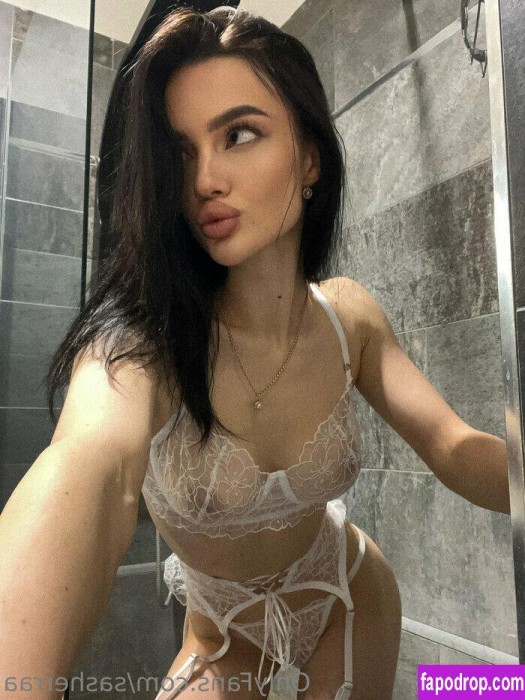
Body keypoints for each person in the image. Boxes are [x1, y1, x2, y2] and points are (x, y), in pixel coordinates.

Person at [0, 7, 510, 700]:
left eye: (238, 134)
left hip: (349, 596)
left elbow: (452, 448)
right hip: (222, 640)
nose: (204, 179)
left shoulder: (348, 317)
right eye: (182, 153)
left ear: (309, 157)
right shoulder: (140, 346)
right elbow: (89, 469)